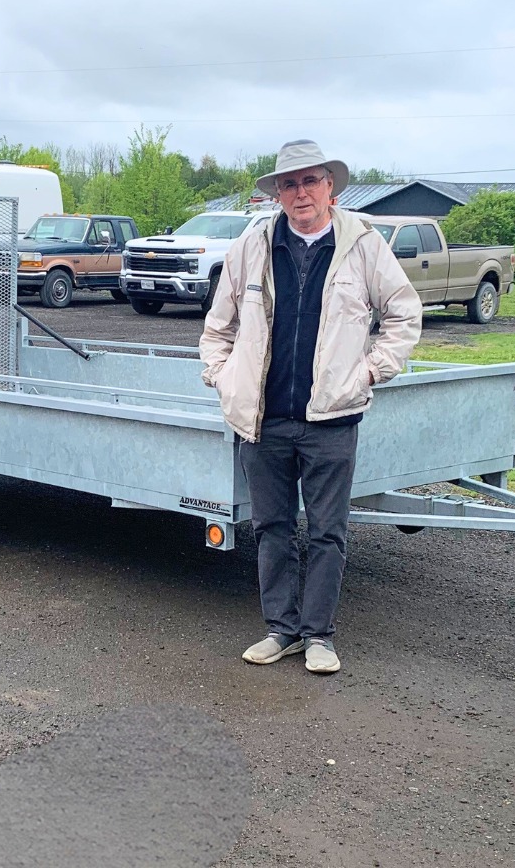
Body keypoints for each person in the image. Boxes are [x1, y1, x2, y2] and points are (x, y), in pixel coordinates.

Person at [199, 140, 423, 674]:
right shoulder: (252, 246)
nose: (301, 193)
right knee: (272, 527)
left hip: (332, 419)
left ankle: (318, 635)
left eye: (311, 181)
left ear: (330, 187)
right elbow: (218, 324)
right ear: (278, 193)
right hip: (263, 418)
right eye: (290, 184)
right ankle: (281, 629)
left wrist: (369, 371)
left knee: (327, 531)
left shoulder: (363, 244)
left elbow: (403, 313)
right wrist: (220, 373)